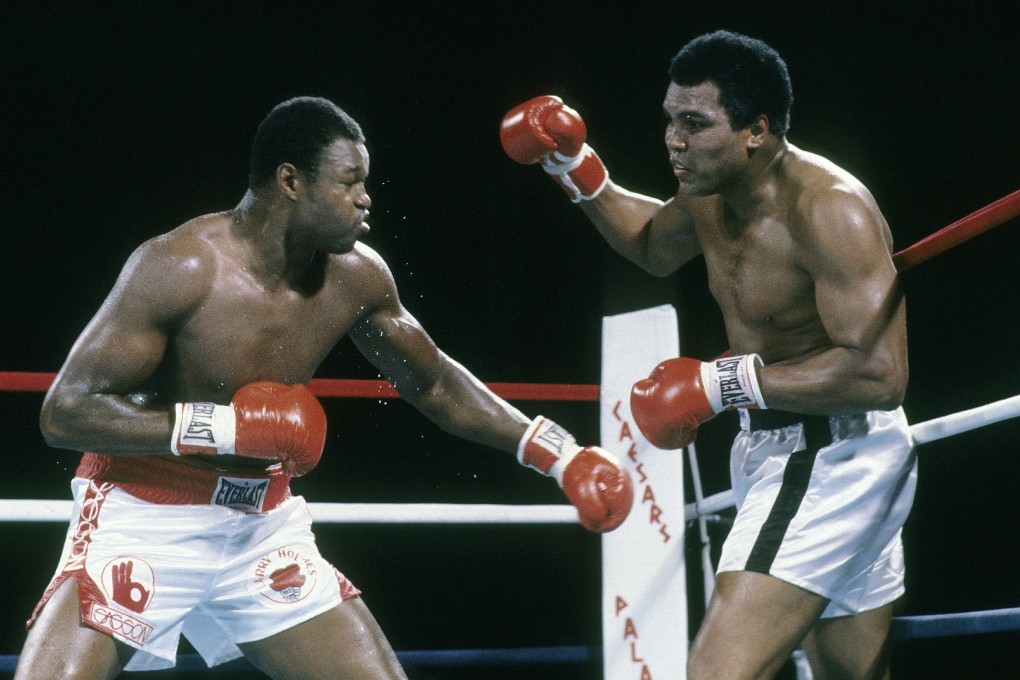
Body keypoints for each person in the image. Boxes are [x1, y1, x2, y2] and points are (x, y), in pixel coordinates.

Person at [17, 96, 634, 680]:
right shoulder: (180, 267)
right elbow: (65, 413)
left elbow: (436, 383)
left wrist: (560, 453)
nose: (367, 201)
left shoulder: (356, 278)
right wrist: (224, 428)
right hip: (144, 513)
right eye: (349, 182)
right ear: (290, 181)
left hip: (258, 525)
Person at [500, 30, 916, 680]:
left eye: (694, 124)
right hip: (783, 447)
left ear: (756, 129)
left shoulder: (828, 210)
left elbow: (880, 373)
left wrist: (721, 384)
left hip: (832, 457)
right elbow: (648, 243)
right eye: (671, 120)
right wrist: (571, 164)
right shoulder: (708, 198)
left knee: (717, 672)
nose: (673, 139)